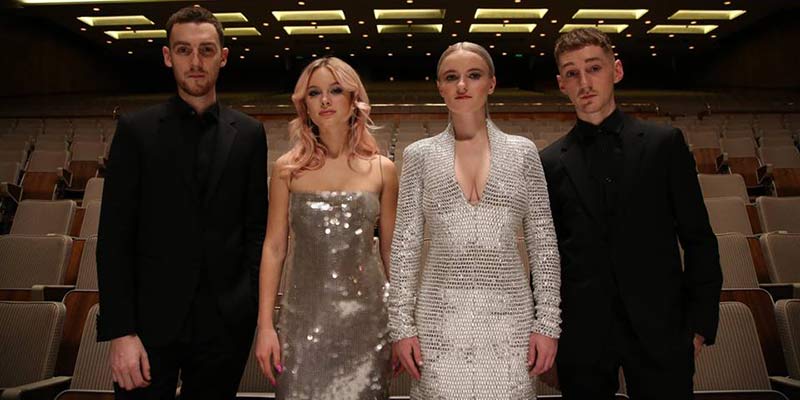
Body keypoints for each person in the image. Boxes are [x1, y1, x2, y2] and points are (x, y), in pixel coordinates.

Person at [540, 28, 723, 399]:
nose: (584, 82)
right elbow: (547, 256)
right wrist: (547, 331)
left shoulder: (664, 144)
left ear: (617, 71)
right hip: (583, 335)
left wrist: (700, 324)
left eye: (594, 68)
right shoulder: (548, 161)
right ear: (562, 84)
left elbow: (698, 238)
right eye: (572, 73)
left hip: (662, 329)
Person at [96, 6, 268, 399]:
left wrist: (248, 307)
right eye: (184, 50)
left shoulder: (249, 133)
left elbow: (255, 230)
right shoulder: (135, 130)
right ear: (167, 56)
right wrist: (121, 331)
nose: (195, 61)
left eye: (206, 50)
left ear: (223, 57)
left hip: (225, 325)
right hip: (147, 324)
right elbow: (114, 237)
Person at [389, 42, 562, 399]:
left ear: (492, 83)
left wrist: (547, 323)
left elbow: (544, 244)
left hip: (510, 320)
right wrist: (401, 326)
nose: (462, 85)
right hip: (438, 320)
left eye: (474, 75)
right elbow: (404, 248)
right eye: (451, 77)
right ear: (440, 87)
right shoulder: (419, 156)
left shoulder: (523, 152)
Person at [254, 56, 399, 399]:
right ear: (304, 104)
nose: (325, 100)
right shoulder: (287, 169)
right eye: (314, 93)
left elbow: (391, 251)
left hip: (367, 321)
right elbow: (274, 248)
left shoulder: (383, 169)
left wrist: (403, 324)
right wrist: (265, 326)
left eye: (335, 90)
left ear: (353, 99)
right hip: (303, 320)